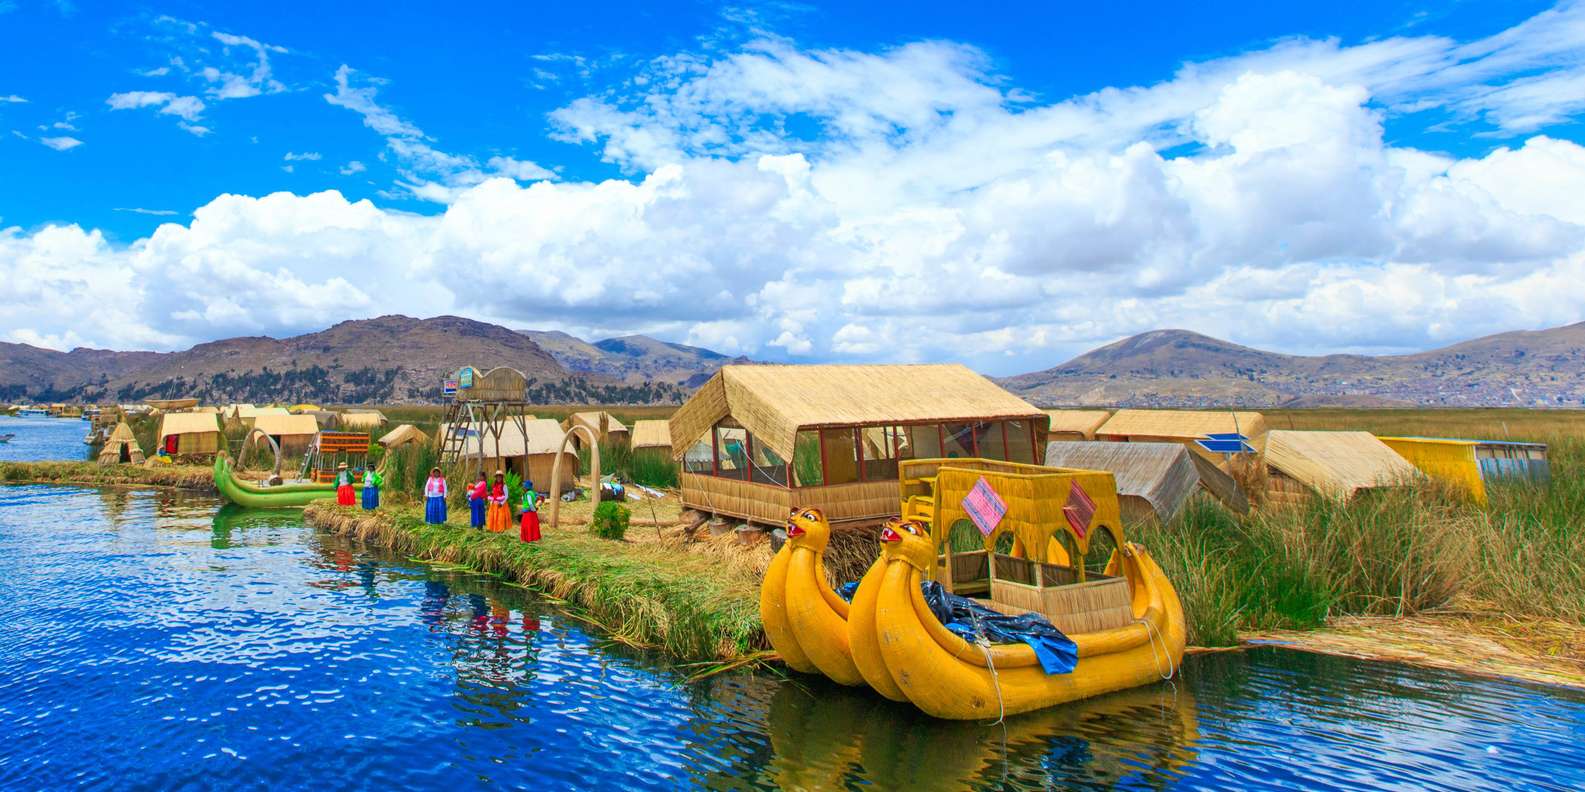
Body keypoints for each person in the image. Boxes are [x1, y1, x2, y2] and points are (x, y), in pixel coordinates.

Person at [518, 478, 541, 542]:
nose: (522, 488)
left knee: (527, 525)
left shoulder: (528, 494)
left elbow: (530, 503)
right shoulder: (531, 493)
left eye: (524, 486)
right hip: (531, 512)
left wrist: (534, 510)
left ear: (527, 487)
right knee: (533, 525)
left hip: (528, 513)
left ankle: (529, 538)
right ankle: (533, 537)